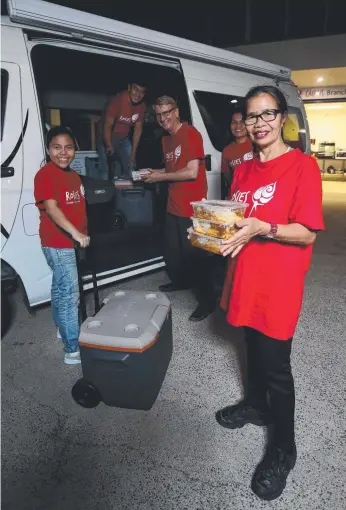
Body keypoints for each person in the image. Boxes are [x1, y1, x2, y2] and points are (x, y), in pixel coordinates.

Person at [216, 86, 324, 501]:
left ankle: (284, 448)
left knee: (277, 367)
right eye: (251, 116)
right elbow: (235, 221)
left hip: (277, 284)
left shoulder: (302, 167)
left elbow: (308, 232)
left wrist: (267, 227)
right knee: (249, 343)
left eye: (268, 114)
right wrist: (211, 233)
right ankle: (255, 406)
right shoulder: (242, 169)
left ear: (282, 118)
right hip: (244, 275)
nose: (259, 123)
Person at [142, 96, 215, 322]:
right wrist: (154, 171)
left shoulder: (190, 134)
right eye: (158, 114)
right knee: (174, 252)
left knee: (197, 256)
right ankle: (182, 282)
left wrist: (160, 177)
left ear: (176, 111)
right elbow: (172, 166)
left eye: (166, 113)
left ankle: (208, 301)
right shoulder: (166, 140)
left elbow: (192, 171)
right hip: (173, 203)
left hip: (191, 206)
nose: (162, 118)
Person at [34, 126, 90, 365]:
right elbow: (52, 208)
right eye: (56, 147)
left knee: (60, 289)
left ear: (75, 149)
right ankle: (72, 349)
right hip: (58, 244)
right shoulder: (45, 174)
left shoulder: (73, 175)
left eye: (68, 147)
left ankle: (62, 329)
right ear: (48, 150)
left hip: (69, 243)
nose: (63, 153)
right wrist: (76, 233)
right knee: (70, 295)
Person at [97, 82, 147, 181]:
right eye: (135, 89)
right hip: (106, 137)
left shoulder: (142, 106)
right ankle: (104, 193)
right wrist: (108, 145)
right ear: (129, 87)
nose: (138, 95)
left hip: (123, 138)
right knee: (106, 169)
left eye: (142, 92)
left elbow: (138, 129)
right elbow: (107, 125)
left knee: (130, 166)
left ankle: (128, 194)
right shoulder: (117, 101)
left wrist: (133, 154)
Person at [221, 108, 253, 198]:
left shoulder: (257, 145)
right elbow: (229, 180)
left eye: (242, 121)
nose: (238, 126)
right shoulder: (227, 151)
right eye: (234, 122)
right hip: (237, 197)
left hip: (256, 196)